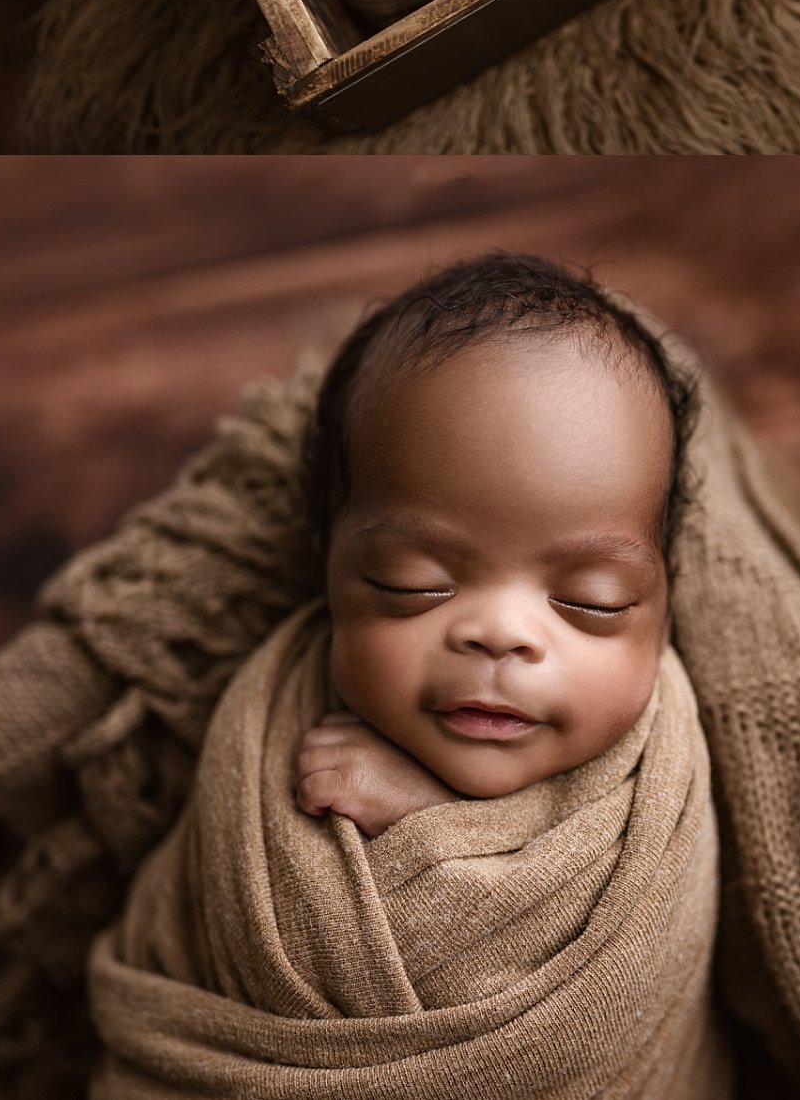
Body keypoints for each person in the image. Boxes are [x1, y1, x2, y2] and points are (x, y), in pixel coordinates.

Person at [295, 251, 697, 832]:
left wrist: (439, 821)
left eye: (593, 600)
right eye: (411, 584)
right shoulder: (274, 707)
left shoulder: (667, 774)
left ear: (664, 610)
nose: (502, 634)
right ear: (325, 561)